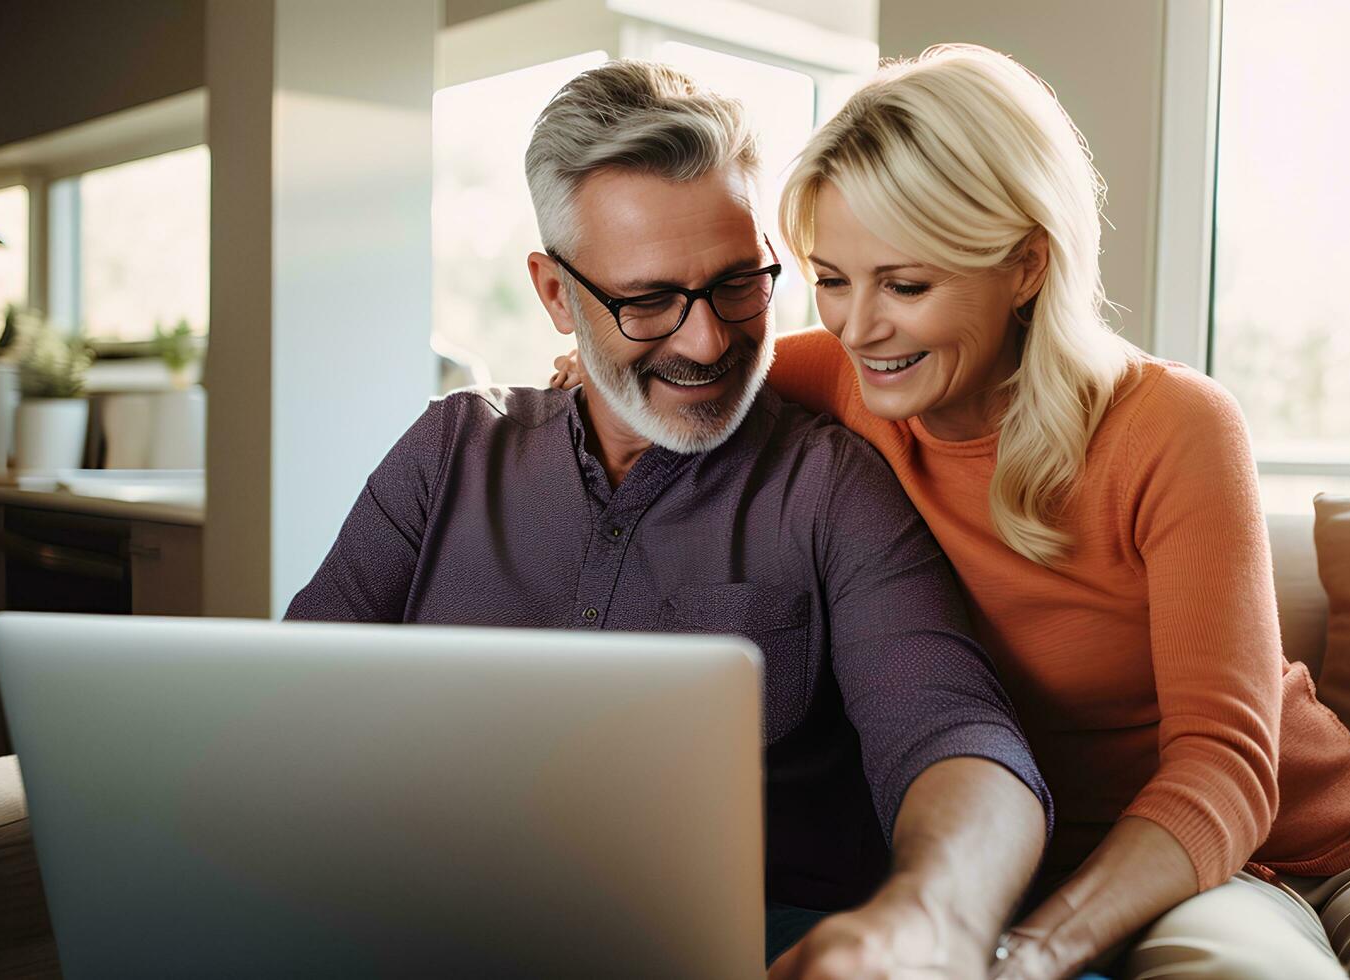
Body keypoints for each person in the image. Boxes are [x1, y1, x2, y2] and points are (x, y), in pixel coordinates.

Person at [550, 43, 1350, 980]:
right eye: (831, 279)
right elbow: (670, 369)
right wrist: (582, 371)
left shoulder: (1169, 423)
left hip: (1334, 842)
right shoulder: (833, 380)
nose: (860, 326)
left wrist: (1035, 950)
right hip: (1155, 884)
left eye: (906, 284)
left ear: (1026, 264)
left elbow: (1225, 765)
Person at [287, 60, 1053, 977]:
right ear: (555, 295)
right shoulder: (449, 453)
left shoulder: (830, 487)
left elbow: (954, 736)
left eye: (739, 284)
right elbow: (289, 710)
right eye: (648, 301)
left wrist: (933, 911)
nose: (707, 341)